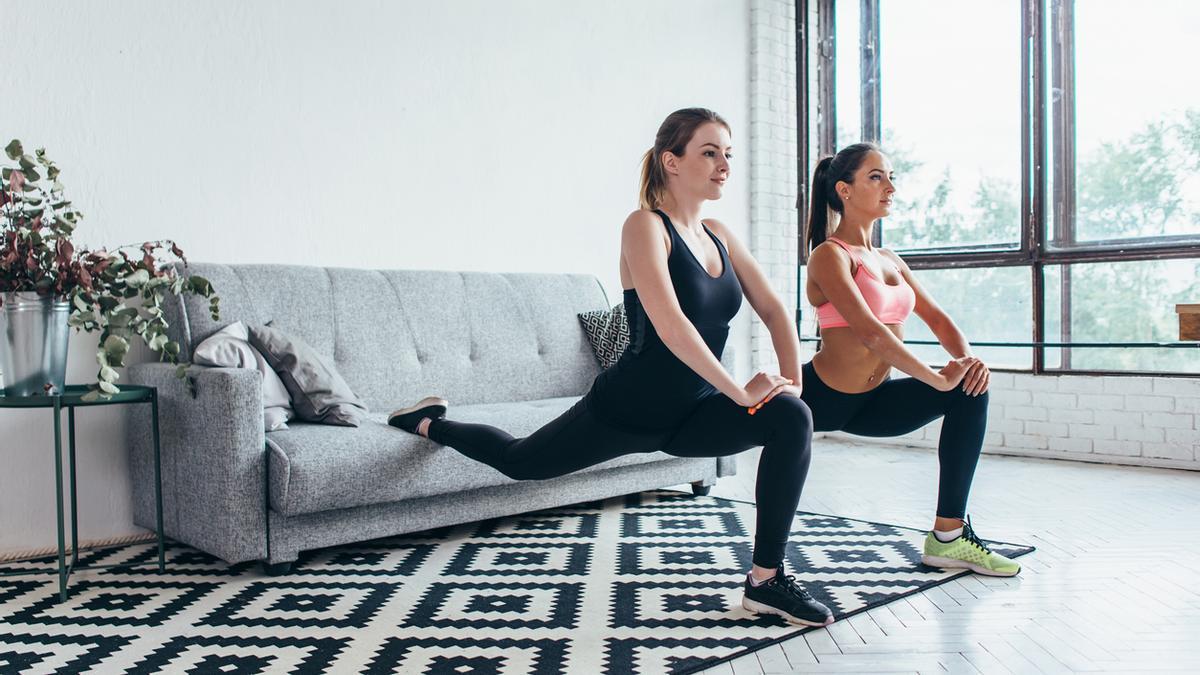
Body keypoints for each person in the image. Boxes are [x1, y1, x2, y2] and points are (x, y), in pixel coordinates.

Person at [389, 108, 834, 626]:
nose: (723, 166)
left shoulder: (719, 235)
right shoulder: (645, 226)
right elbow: (671, 325)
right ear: (672, 161)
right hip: (627, 409)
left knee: (791, 420)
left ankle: (767, 581)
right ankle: (426, 421)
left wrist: (791, 389)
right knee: (520, 461)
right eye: (709, 153)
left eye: (728, 154)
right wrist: (740, 392)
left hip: (694, 413)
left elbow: (777, 310)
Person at [801, 142, 1020, 577]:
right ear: (844, 190)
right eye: (876, 177)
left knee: (969, 392)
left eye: (891, 177)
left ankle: (948, 538)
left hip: (873, 404)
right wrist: (935, 377)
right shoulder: (829, 255)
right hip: (820, 397)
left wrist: (966, 362)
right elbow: (869, 332)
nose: (891, 188)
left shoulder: (889, 260)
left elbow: (938, 318)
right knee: (724, 423)